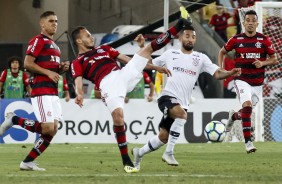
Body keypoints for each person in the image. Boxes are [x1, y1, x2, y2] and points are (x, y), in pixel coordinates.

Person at [70, 7, 191, 173]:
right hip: (108, 85)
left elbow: (127, 59)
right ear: (79, 41)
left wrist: (155, 66)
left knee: (147, 49)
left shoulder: (104, 49)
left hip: (122, 74)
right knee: (118, 118)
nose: (91, 37)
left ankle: (179, 25)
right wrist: (79, 94)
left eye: (90, 34)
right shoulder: (78, 61)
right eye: (87, 35)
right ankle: (126, 160)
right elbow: (77, 81)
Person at [131, 25, 241, 170]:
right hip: (167, 97)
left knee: (163, 137)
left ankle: (139, 153)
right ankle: (169, 153)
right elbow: (149, 64)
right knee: (182, 115)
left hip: (182, 103)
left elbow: (217, 74)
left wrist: (230, 73)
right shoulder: (170, 54)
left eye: (193, 37)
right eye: (187, 36)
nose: (190, 39)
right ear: (181, 38)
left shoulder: (200, 58)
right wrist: (142, 46)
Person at [0, 11, 70, 171]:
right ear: (42, 24)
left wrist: (60, 69)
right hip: (41, 91)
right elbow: (28, 63)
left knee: (53, 129)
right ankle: (14, 120)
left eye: (56, 21)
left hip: (53, 93)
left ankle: (27, 162)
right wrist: (49, 72)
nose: (55, 24)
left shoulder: (56, 47)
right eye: (51, 21)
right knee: (47, 128)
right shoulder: (38, 40)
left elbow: (51, 71)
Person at [218, 10, 278, 153]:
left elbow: (274, 58)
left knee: (246, 111)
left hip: (257, 84)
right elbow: (222, 52)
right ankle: (248, 143)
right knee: (247, 105)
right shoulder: (236, 39)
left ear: (257, 23)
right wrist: (221, 70)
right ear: (243, 23)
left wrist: (262, 63)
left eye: (253, 20)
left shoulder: (264, 40)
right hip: (241, 80)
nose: (250, 22)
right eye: (248, 20)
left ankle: (233, 116)